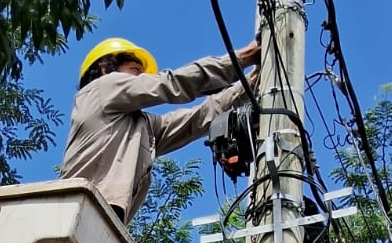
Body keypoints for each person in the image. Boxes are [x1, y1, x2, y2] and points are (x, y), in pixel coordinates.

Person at [61, 34, 260, 225]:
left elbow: (196, 120)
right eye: (135, 70)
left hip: (98, 219)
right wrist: (242, 58)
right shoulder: (100, 90)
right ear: (105, 69)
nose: (141, 78)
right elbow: (172, 84)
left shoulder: (140, 126)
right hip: (73, 210)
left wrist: (247, 85)